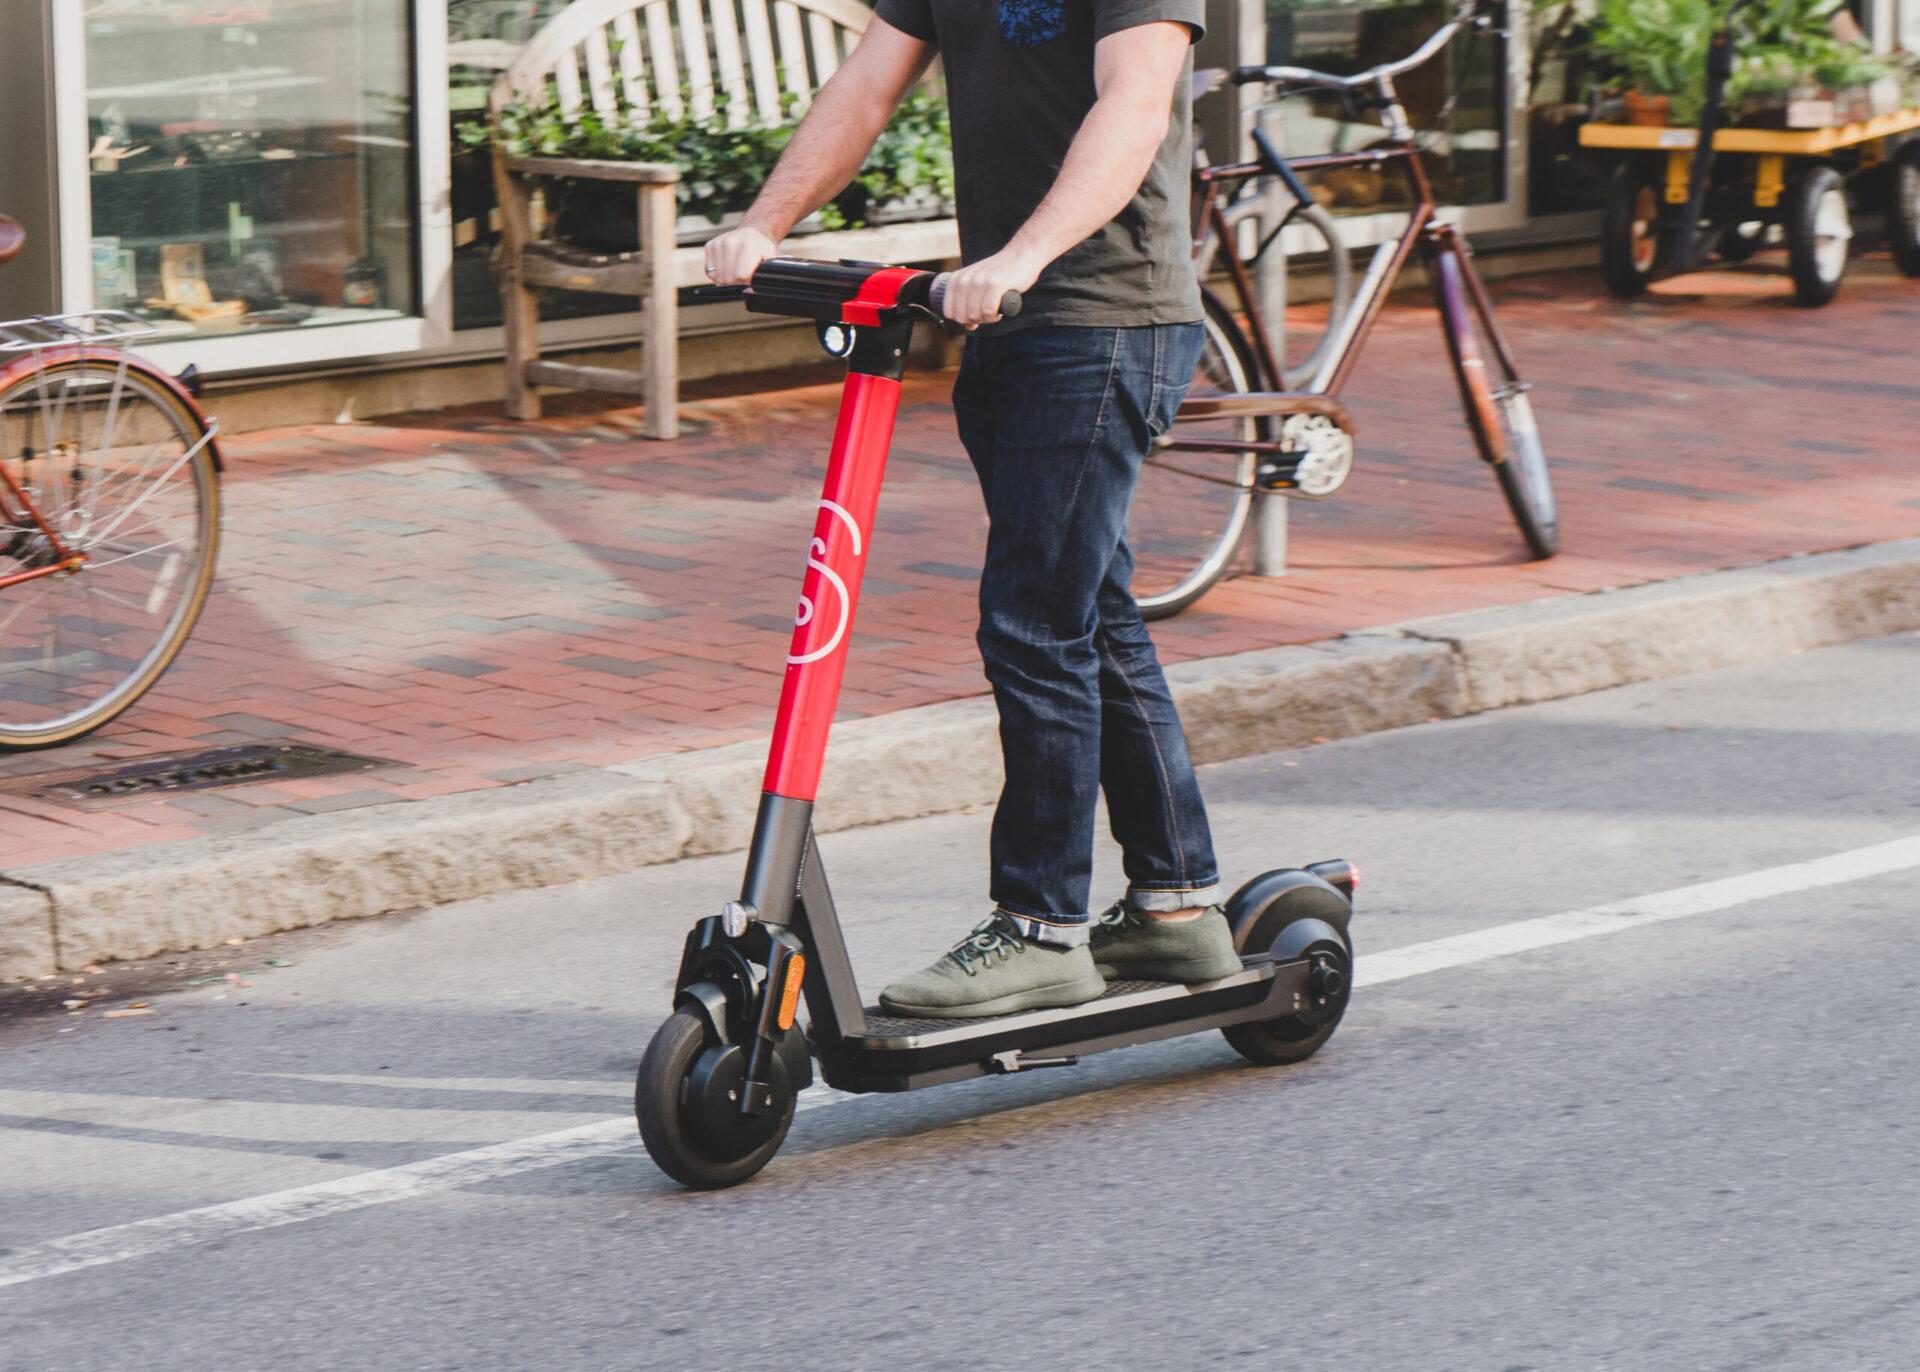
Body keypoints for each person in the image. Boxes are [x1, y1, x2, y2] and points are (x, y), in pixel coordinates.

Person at [705, 0, 1239, 1018]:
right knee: (1091, 616)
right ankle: (1179, 911)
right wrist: (763, 224)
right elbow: (865, 89)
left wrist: (1023, 254)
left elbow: (1134, 103)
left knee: (1035, 624)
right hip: (1011, 319)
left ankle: (1041, 927)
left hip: (1101, 314)